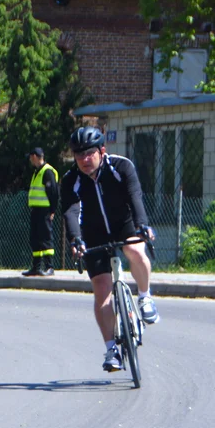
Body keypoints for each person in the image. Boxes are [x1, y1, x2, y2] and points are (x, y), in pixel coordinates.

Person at [62, 126, 159, 373]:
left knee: (136, 252)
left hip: (124, 224)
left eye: (89, 153)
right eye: (79, 154)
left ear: (102, 151)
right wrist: (76, 240)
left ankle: (145, 297)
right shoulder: (70, 180)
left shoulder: (121, 166)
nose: (84, 159)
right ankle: (111, 349)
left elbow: (134, 195)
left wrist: (142, 225)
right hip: (93, 235)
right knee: (102, 289)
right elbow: (71, 211)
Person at [23, 147, 59, 277]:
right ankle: (36, 267)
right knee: (35, 238)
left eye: (31, 157)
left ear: (35, 156)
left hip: (44, 211)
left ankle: (50, 267)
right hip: (36, 210)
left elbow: (54, 193)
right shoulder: (37, 171)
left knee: (46, 238)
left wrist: (52, 210)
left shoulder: (47, 171)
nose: (30, 160)